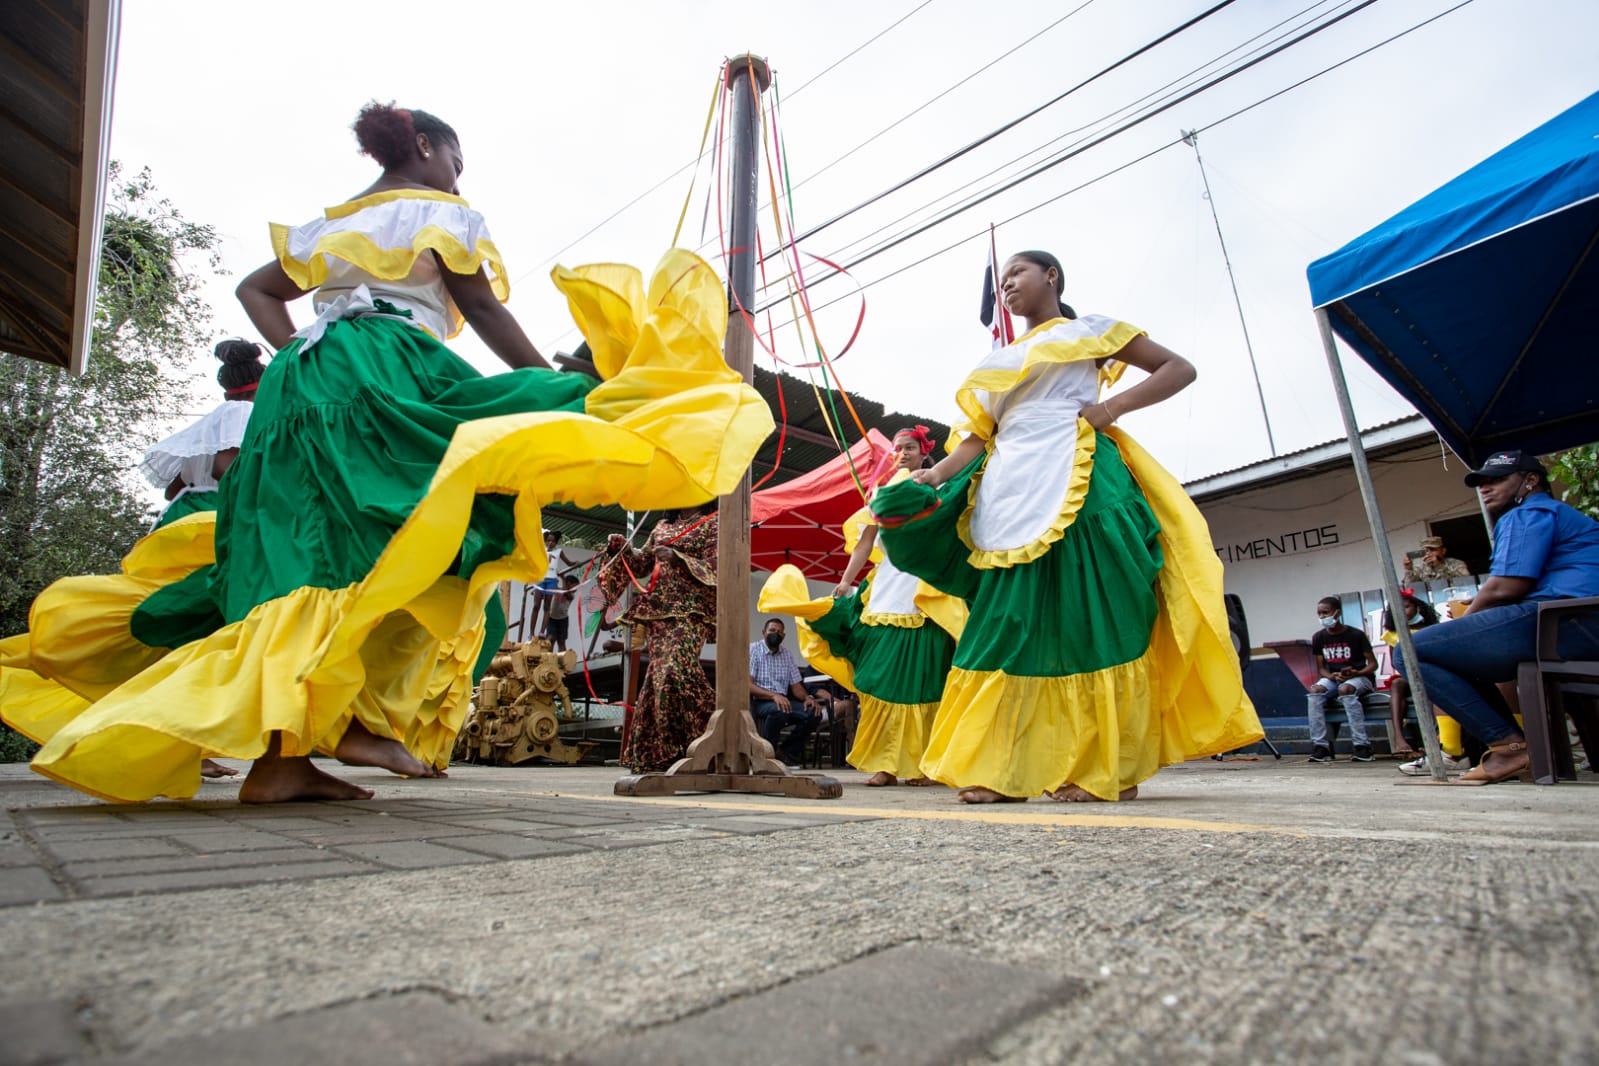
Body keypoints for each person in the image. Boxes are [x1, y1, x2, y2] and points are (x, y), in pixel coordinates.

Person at [2, 101, 772, 804]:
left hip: (300, 389)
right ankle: (333, 726)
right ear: (428, 147)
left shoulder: (328, 222)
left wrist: (304, 349)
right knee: (424, 530)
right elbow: (478, 306)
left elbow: (254, 290)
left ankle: (282, 761)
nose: (458, 176)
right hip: (386, 367)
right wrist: (547, 377)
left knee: (305, 558)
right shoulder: (439, 211)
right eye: (456, 161)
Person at [867, 249, 1262, 803]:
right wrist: (930, 476)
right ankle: (999, 769)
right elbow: (978, 440)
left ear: (1051, 276)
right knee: (1002, 623)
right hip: (1007, 492)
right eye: (1001, 279)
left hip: (1080, 480)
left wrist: (1110, 409)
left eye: (1017, 273)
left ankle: (1102, 769)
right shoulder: (998, 360)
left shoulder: (1090, 331)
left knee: (1088, 619)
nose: (1006, 284)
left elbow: (1179, 368)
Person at [757, 426, 964, 786]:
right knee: (881, 681)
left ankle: (924, 765)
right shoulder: (881, 494)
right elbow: (865, 544)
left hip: (927, 592)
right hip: (886, 593)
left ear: (924, 453)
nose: (902, 453)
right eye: (897, 448)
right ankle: (885, 763)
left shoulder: (940, 487)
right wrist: (846, 581)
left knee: (927, 680)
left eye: (910, 447)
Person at [1396, 450, 1599, 785]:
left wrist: (1465, 622)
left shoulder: (1530, 513)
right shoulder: (1561, 515)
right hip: (1576, 622)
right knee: (1456, 656)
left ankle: (1509, 746)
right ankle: (1514, 746)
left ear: (1531, 480)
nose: (1485, 488)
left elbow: (1506, 587)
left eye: (1497, 480)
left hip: (1567, 623)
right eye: (1483, 482)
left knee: (1411, 651)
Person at [598, 506, 719, 773]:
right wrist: (623, 549)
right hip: (658, 613)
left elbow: (717, 567)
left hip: (692, 611)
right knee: (657, 680)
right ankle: (659, 754)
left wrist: (678, 558)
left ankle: (713, 737)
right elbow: (642, 563)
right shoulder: (662, 525)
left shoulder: (712, 524)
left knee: (675, 670)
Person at [139, 339, 266, 528]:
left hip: (186, 519)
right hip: (218, 516)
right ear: (265, 387)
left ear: (226, 394)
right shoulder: (243, 412)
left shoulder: (208, 429)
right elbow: (224, 468)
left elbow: (173, 491)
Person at [1306, 596, 1379, 763]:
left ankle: (1362, 746)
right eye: (1319, 613)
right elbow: (1321, 668)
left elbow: (1373, 664)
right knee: (1314, 692)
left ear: (1337, 613)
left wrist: (1356, 672)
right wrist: (1331, 676)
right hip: (1333, 678)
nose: (1323, 617)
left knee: (1345, 689)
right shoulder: (1319, 637)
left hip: (1360, 678)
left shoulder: (1356, 635)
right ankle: (1320, 746)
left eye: (1326, 612)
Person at [748, 618, 827, 766]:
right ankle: (766, 755)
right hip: (761, 700)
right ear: (764, 632)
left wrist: (807, 698)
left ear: (783, 636)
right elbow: (748, 684)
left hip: (784, 701)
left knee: (814, 713)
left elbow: (796, 686)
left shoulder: (787, 654)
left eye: (779, 632)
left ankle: (786, 752)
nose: (775, 634)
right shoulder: (753, 650)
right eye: (772, 630)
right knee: (779, 710)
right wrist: (773, 695)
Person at [1404, 535, 1471, 582]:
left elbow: (1467, 581)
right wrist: (1409, 569)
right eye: (1426, 551)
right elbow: (1409, 588)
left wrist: (1439, 566)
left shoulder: (1457, 564)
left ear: (1443, 551)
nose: (1429, 554)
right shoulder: (1420, 568)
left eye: (1433, 550)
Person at [543, 574, 579, 653]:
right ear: (568, 583)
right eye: (575, 586)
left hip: (563, 619)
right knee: (551, 639)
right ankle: (549, 657)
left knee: (561, 641)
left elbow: (565, 592)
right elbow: (550, 590)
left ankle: (562, 659)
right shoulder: (557, 590)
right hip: (551, 618)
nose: (576, 589)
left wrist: (563, 578)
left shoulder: (571, 595)